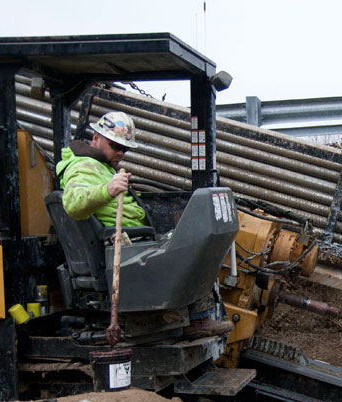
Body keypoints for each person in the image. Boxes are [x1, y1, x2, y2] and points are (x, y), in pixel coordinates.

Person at [56, 111, 231, 339]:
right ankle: (196, 320)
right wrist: (107, 189)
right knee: (194, 249)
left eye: (124, 149)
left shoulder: (100, 166)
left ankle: (189, 318)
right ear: (96, 137)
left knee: (195, 242)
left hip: (132, 240)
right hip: (123, 245)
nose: (120, 153)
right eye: (115, 146)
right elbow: (73, 204)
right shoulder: (84, 167)